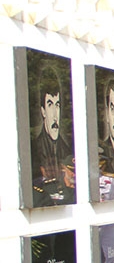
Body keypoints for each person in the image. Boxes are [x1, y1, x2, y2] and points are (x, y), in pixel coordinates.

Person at [30, 66, 75, 206]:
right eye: (50, 105)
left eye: (57, 105)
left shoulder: (66, 146)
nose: (55, 115)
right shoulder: (34, 146)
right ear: (43, 111)